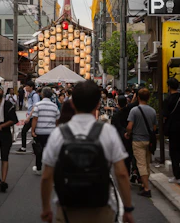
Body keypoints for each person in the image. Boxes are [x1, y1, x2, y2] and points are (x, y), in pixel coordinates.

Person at [41, 81, 135, 223]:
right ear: (98, 104)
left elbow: (47, 176)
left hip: (68, 209)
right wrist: (127, 209)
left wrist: (46, 208)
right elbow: (121, 173)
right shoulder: (107, 131)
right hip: (100, 207)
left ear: (72, 104)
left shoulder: (59, 133)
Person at [125, 88, 157, 198]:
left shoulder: (134, 110)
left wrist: (128, 134)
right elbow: (154, 127)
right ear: (148, 98)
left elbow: (129, 127)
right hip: (149, 140)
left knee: (141, 165)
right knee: (147, 164)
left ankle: (146, 188)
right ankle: (144, 184)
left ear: (138, 97)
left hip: (137, 140)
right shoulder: (152, 111)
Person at [31, 87, 60, 175]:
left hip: (40, 131)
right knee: (50, 151)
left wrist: (33, 130)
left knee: (38, 150)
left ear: (42, 94)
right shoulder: (54, 106)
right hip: (51, 132)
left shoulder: (38, 105)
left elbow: (35, 118)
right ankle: (50, 168)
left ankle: (39, 168)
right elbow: (57, 119)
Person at [16, 80, 40, 154]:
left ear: (31, 87)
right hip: (31, 116)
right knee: (32, 132)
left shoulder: (34, 95)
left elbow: (35, 107)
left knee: (27, 131)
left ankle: (30, 147)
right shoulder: (30, 95)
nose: (25, 88)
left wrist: (29, 117)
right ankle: (34, 147)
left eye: (27, 86)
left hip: (33, 117)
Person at [112, 95, 132, 175]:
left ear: (118, 104)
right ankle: (129, 173)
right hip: (130, 137)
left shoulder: (116, 115)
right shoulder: (130, 112)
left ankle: (122, 174)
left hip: (119, 138)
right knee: (128, 157)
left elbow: (114, 127)